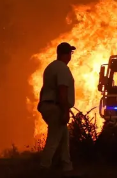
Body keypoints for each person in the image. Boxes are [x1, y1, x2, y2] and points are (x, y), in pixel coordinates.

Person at [37, 42, 81, 177]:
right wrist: (65, 111)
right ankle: (44, 168)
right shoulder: (62, 69)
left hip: (47, 105)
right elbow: (62, 90)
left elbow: (44, 88)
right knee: (54, 139)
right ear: (66, 54)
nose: (70, 56)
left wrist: (41, 103)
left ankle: (67, 167)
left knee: (63, 138)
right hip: (57, 107)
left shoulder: (50, 67)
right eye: (70, 53)